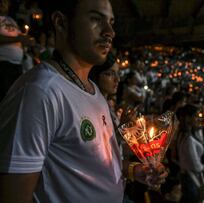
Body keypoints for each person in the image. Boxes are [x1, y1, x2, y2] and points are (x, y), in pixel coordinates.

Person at [0, 0, 167, 202]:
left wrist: (135, 171)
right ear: (61, 23)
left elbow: (97, 163)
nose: (109, 32)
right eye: (96, 19)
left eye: (111, 22)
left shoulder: (94, 92)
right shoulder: (40, 92)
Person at [0, 0, 35, 101]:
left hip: (17, 65)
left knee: (15, 98)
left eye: (5, 2)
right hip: (4, 65)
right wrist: (18, 39)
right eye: (1, 1)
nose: (2, 4)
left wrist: (28, 40)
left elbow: (20, 36)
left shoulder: (11, 20)